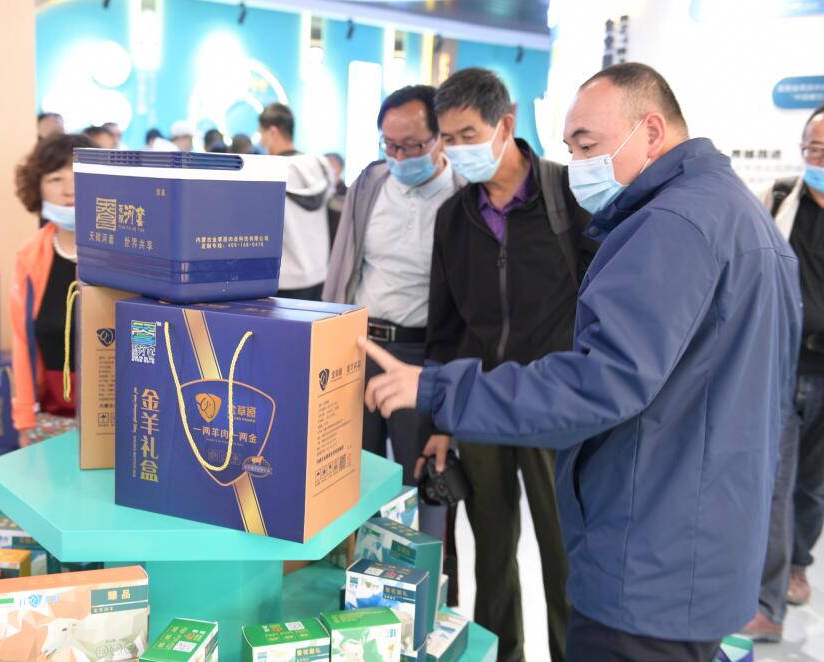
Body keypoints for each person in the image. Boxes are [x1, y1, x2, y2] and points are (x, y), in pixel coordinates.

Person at [360, 62, 802, 662]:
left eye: (588, 145)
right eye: (570, 148)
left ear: (650, 130)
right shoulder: (739, 216)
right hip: (699, 543)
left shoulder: (668, 226)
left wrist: (440, 391)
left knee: (560, 568)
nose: (579, 164)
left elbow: (603, 380)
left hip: (647, 550)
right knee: (495, 550)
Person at [424, 67, 592, 662]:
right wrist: (442, 418)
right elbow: (445, 327)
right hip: (481, 406)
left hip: (554, 406)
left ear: (506, 124)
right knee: (490, 553)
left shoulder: (569, 198)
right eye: (447, 138)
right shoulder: (454, 217)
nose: (457, 150)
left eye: (468, 134)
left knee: (563, 553)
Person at [324, 85, 465, 543]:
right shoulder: (370, 184)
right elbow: (343, 265)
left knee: (419, 476)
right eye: (390, 145)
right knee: (350, 471)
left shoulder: (464, 198)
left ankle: (420, 571)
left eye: (412, 146)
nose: (400, 157)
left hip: (420, 355)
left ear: (439, 139)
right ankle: (350, 564)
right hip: (360, 346)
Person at [742, 103, 824, 641]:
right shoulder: (776, 199)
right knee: (774, 481)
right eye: (813, 148)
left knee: (813, 486)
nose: (818, 159)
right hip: (783, 366)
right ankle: (766, 603)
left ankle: (797, 563)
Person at [11, 133, 94, 446]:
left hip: (119, 416)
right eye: (55, 179)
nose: (69, 189)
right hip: (53, 417)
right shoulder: (28, 257)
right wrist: (24, 419)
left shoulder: (125, 251)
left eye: (78, 175)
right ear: (38, 188)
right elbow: (23, 343)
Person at [259, 102, 333, 300]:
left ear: (273, 132)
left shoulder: (269, 171)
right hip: (319, 274)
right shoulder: (320, 165)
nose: (262, 142)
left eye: (262, 134)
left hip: (285, 278)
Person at [324, 152, 348, 247]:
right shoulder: (318, 194)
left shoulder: (347, 195)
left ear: (340, 169)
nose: (326, 171)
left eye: (330, 166)